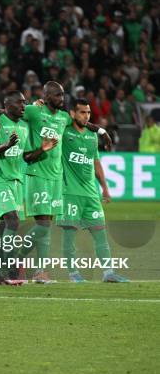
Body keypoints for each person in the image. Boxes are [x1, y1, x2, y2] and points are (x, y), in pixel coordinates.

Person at [0, 81, 110, 283]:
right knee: (43, 225)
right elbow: (10, 109)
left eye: (62, 95)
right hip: (37, 174)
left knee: (46, 225)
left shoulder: (63, 117)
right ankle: (16, 260)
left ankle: (39, 272)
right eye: (57, 95)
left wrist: (100, 131)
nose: (61, 99)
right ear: (46, 97)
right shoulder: (35, 111)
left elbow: (81, 122)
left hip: (56, 178)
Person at [0, 91, 57, 285]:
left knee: (4, 229)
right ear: (8, 104)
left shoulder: (24, 125)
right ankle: (11, 270)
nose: (24, 106)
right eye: (20, 103)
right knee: (13, 221)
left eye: (25, 103)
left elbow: (25, 156)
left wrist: (42, 149)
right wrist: (7, 144)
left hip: (17, 182)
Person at [57, 99, 129, 283]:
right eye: (82, 112)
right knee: (69, 235)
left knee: (100, 233)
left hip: (91, 193)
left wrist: (105, 187)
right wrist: (101, 129)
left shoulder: (91, 136)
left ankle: (108, 273)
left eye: (88, 112)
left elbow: (95, 162)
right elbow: (57, 117)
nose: (86, 116)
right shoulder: (64, 131)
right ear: (72, 113)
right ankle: (73, 274)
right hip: (69, 192)